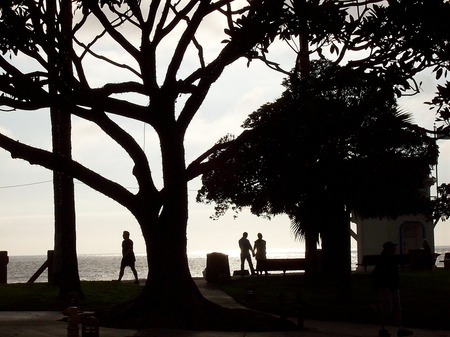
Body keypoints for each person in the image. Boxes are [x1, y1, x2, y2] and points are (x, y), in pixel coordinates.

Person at [372, 241, 413, 337]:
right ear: (389, 249)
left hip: (392, 286)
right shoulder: (385, 260)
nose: (395, 249)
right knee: (389, 308)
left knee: (395, 308)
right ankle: (386, 329)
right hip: (387, 287)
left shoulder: (386, 259)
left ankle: (397, 328)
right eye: (393, 248)